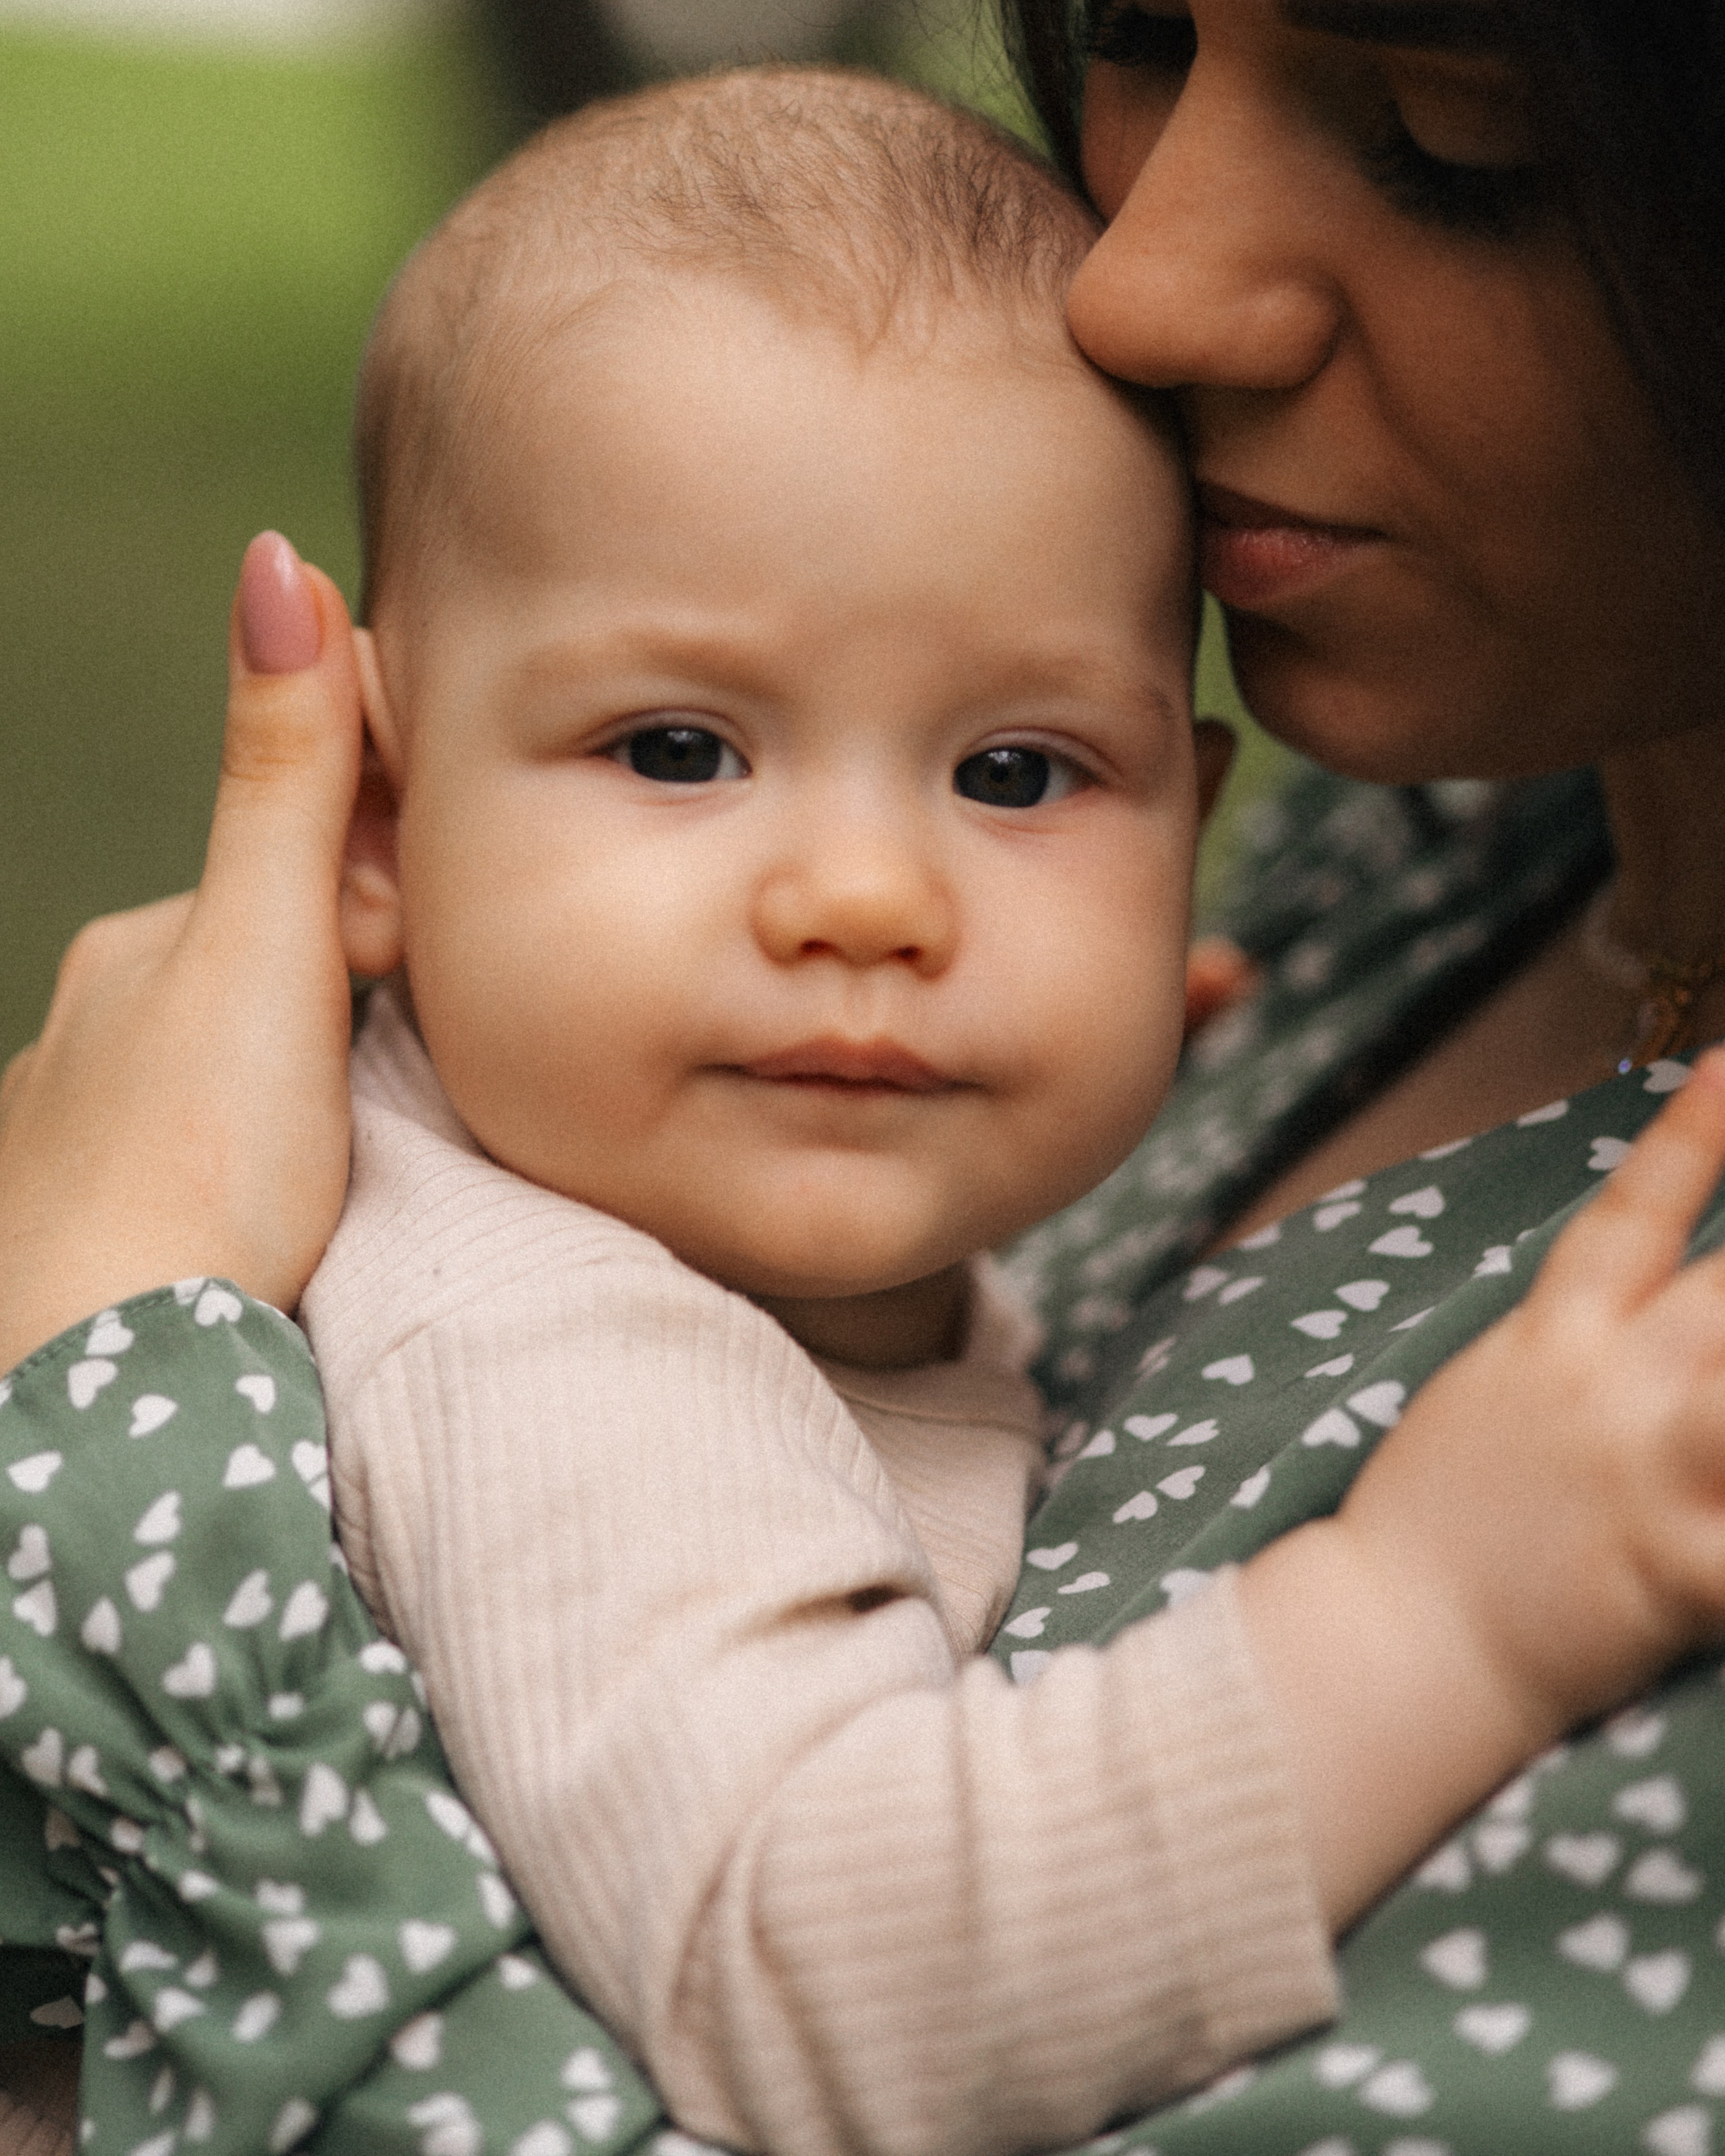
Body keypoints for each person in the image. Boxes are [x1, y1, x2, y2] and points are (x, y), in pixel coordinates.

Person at [0, 2, 1723, 2150]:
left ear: (1184, 844)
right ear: (370, 815)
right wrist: (1447, 1605)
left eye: (1015, 774)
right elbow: (833, 1979)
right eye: (678, 749)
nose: (862, 897)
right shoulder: (560, 1354)